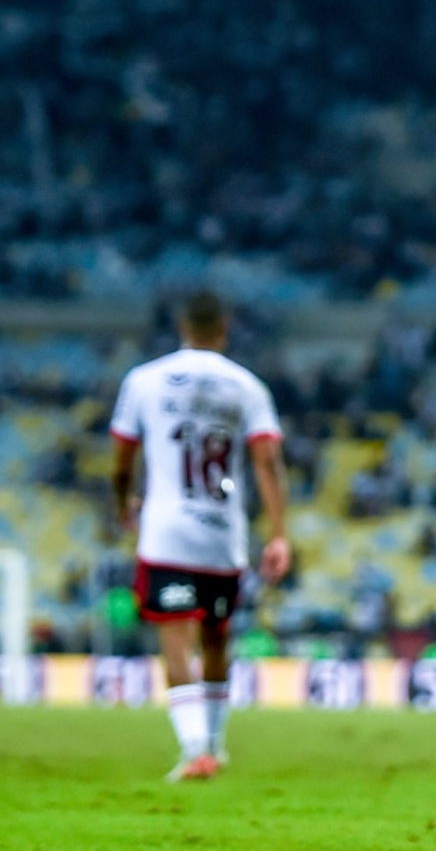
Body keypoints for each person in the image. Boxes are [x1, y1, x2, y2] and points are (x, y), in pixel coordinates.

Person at [110, 290, 291, 782]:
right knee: (216, 638)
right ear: (223, 330)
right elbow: (267, 461)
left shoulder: (144, 381)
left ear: (182, 328)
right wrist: (278, 533)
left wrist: (124, 500)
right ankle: (213, 744)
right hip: (222, 535)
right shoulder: (246, 386)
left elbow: (123, 455)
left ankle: (195, 750)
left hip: (167, 531)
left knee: (174, 635)